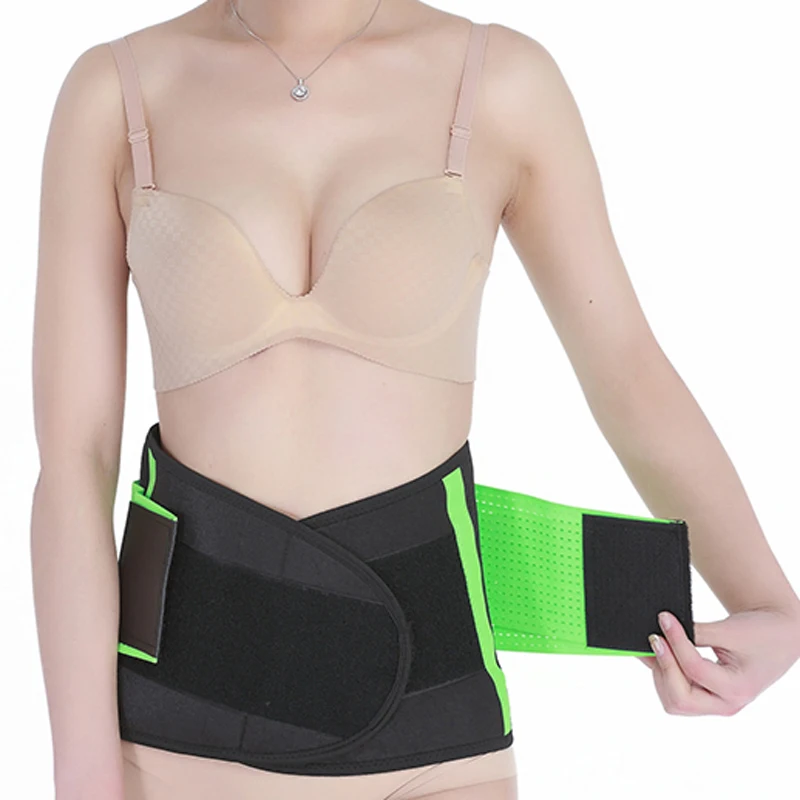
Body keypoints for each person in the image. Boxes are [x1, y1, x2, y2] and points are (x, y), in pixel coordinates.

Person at [30, 1, 800, 799]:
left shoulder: (499, 84)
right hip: (173, 748)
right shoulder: (116, 92)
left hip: (437, 751)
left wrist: (769, 602)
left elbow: (628, 370)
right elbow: (74, 461)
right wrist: (82, 773)